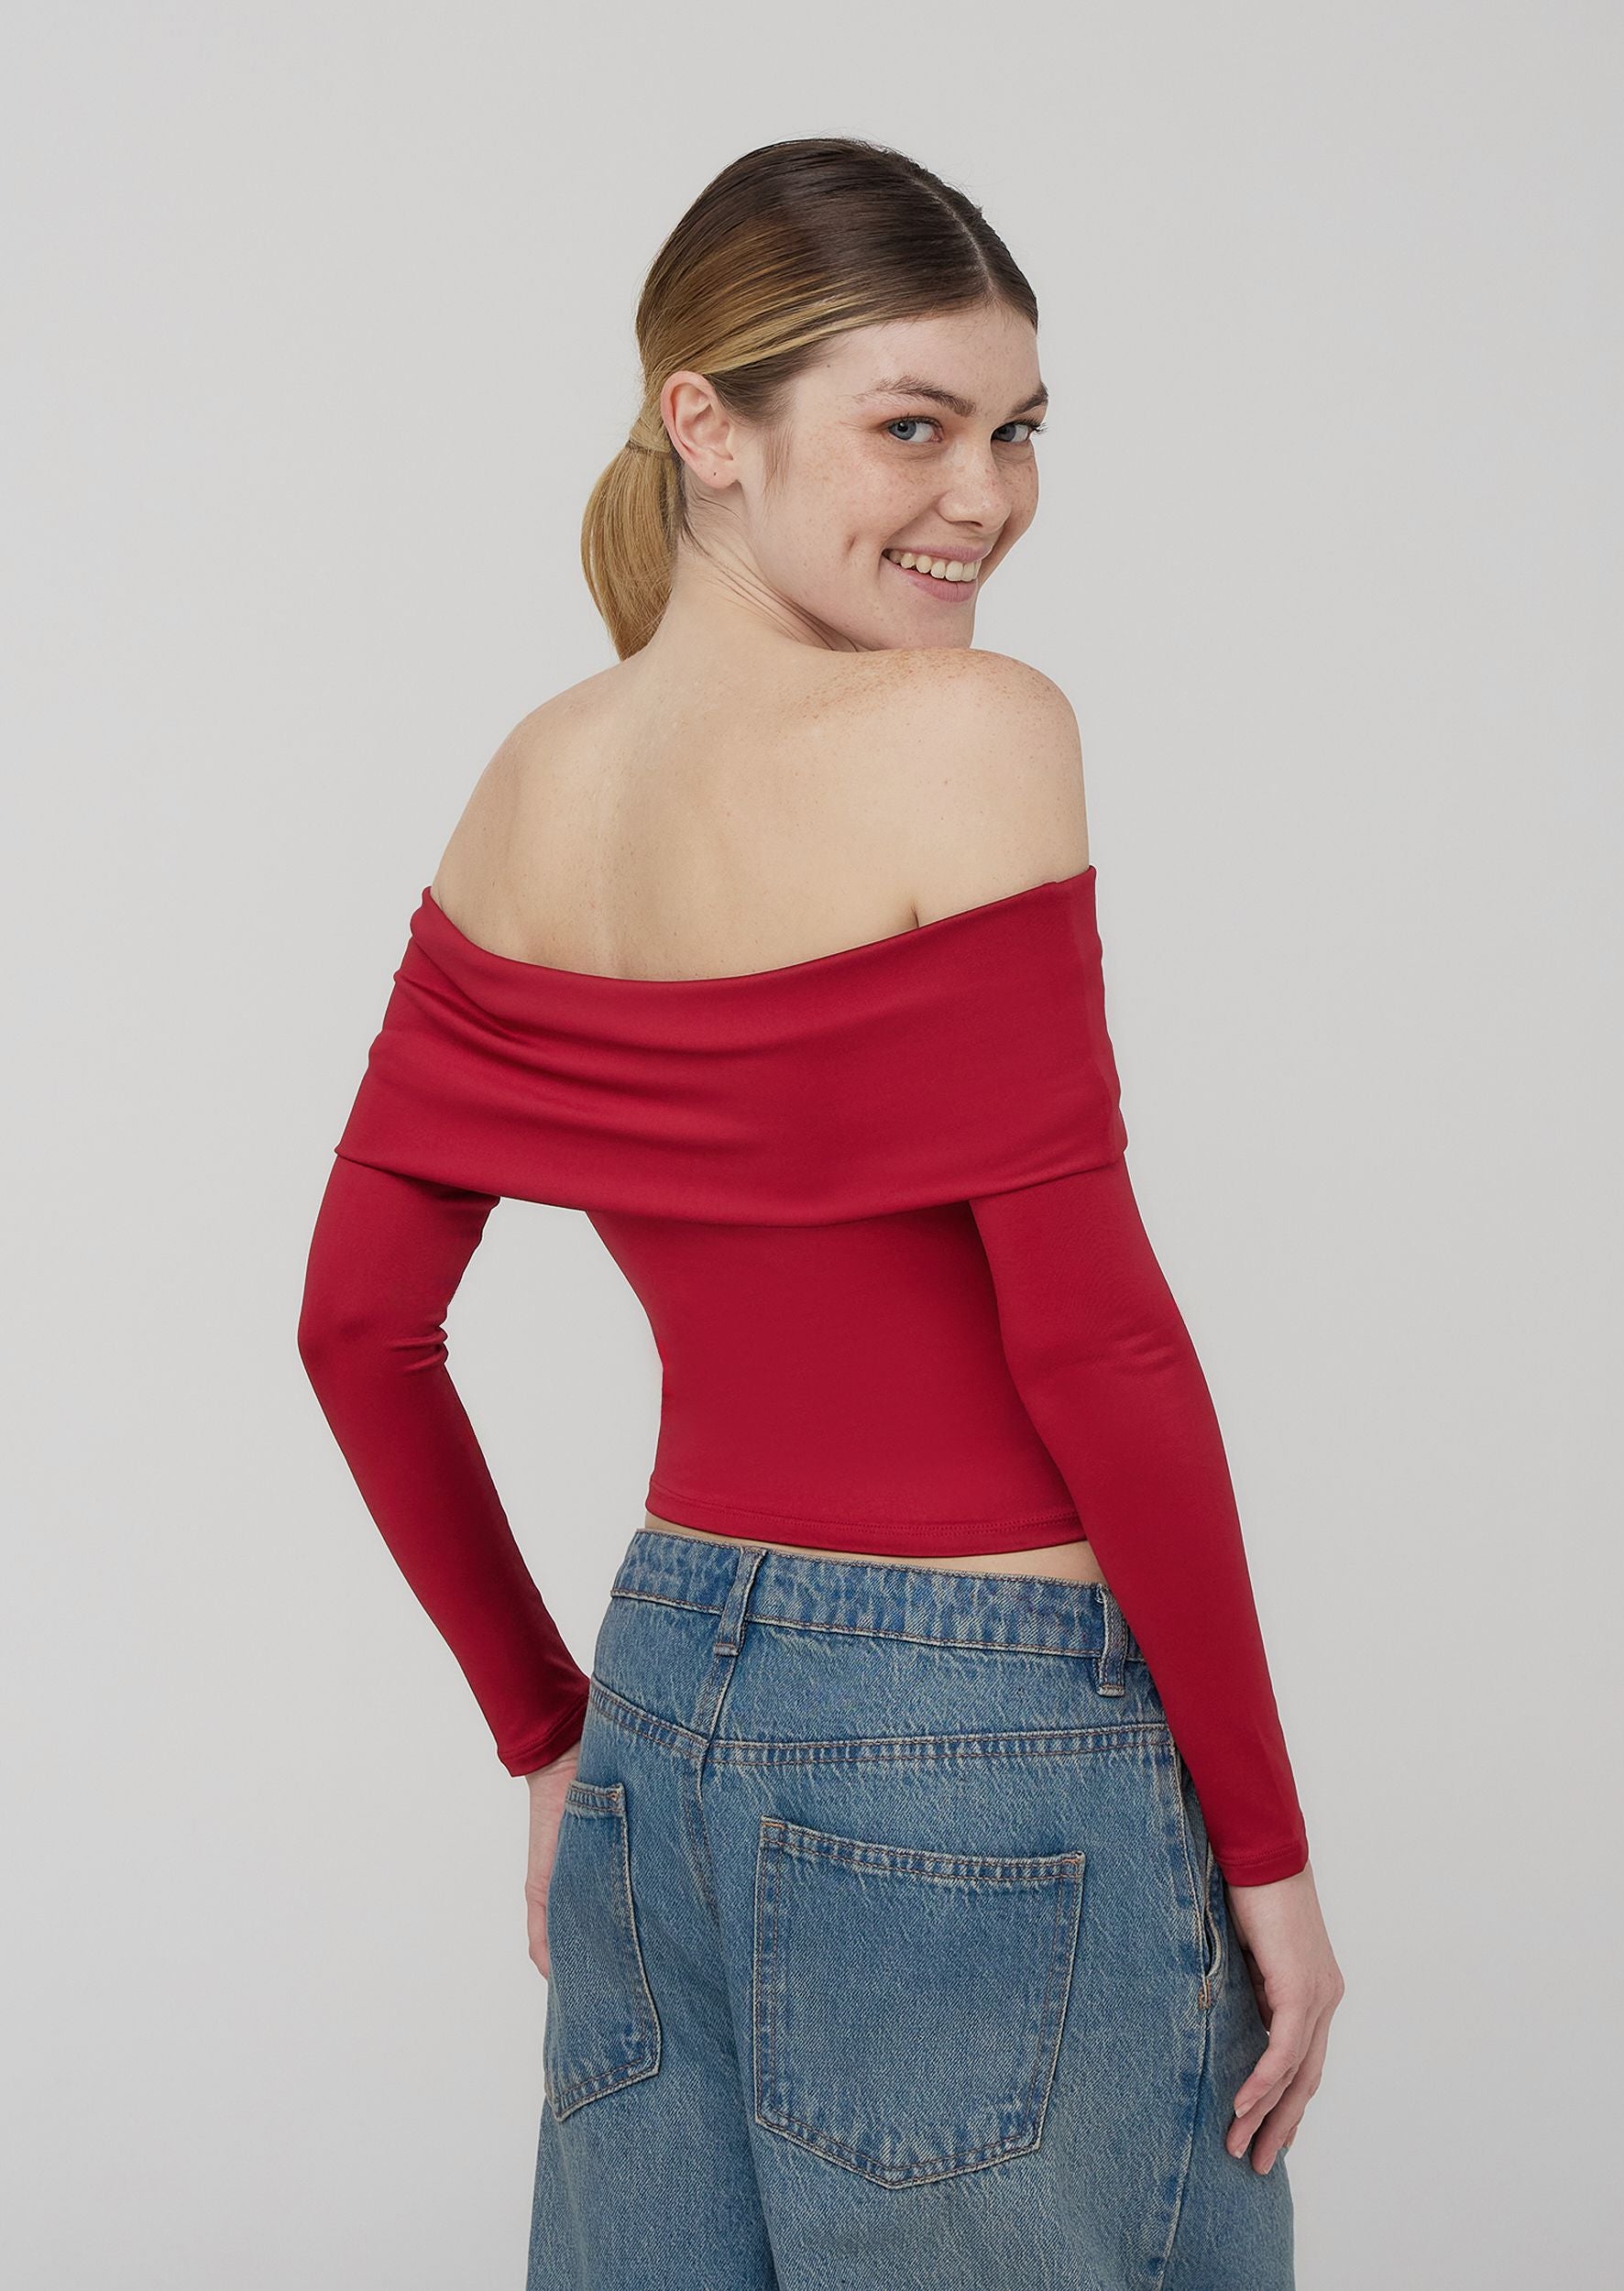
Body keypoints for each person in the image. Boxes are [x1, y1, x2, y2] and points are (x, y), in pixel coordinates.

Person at [297, 136, 1344, 2291]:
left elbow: (352, 1327)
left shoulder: (536, 780)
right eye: (913, 426)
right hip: (975, 1728)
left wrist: (552, 1727)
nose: (985, 495)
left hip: (664, 1700)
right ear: (707, 423)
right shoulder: (968, 731)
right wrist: (1266, 1846)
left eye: (1017, 430)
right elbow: (1093, 1340)